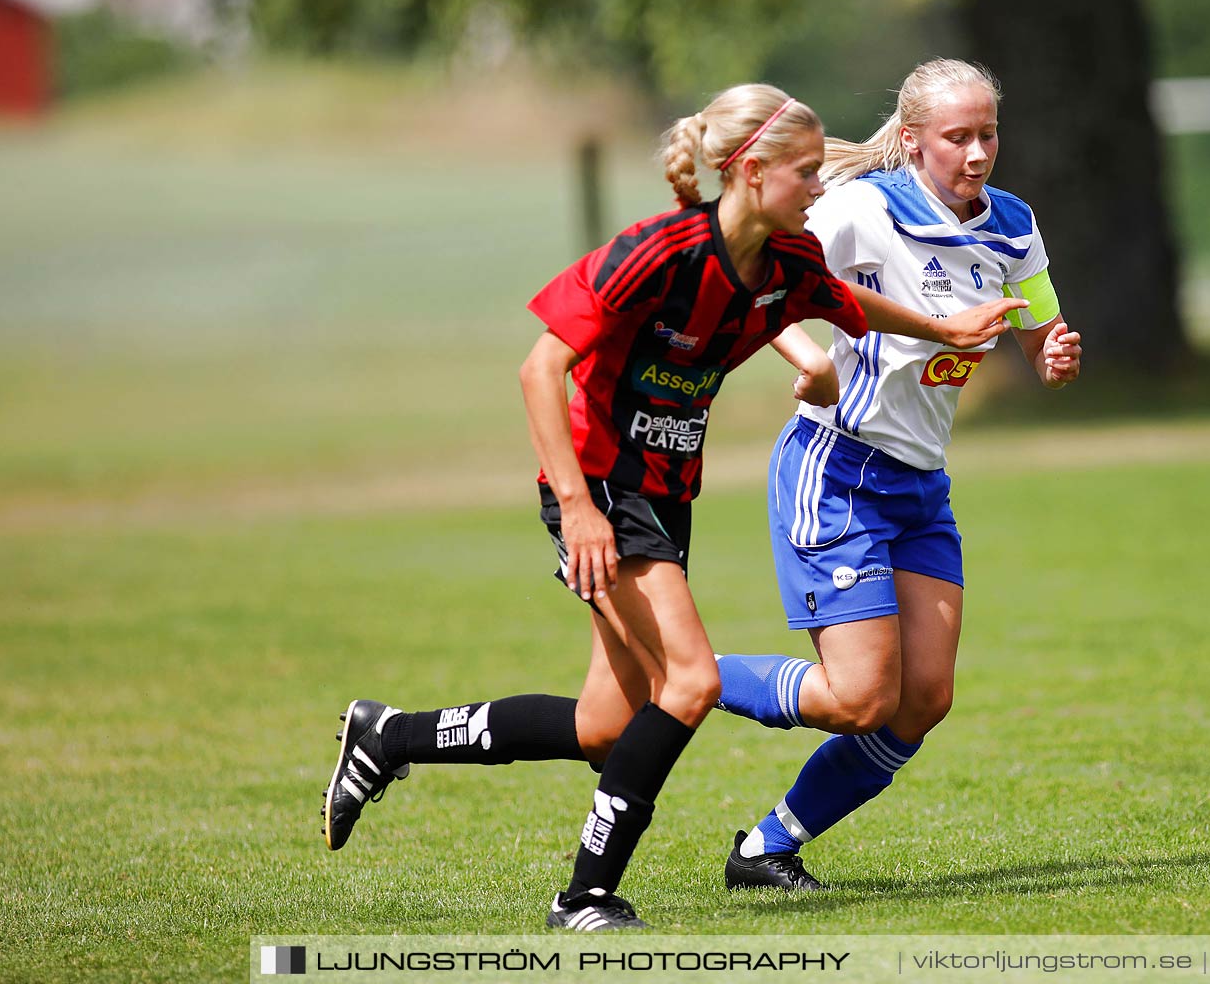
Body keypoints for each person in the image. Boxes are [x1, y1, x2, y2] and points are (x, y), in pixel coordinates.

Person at [318, 83, 1020, 931]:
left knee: (604, 728)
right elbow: (540, 370)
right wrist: (577, 509)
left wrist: (942, 334)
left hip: (663, 492)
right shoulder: (658, 252)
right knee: (689, 680)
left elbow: (841, 307)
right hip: (601, 489)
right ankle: (584, 897)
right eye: (805, 173)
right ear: (752, 173)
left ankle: (389, 738)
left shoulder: (789, 261)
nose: (819, 188)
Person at [712, 58, 1082, 890]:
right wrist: (808, 358)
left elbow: (1041, 330)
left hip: (919, 486)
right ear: (913, 142)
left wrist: (1053, 353)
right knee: (858, 700)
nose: (978, 152)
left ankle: (766, 847)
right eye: (958, 137)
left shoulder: (1014, 223)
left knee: (923, 701)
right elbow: (752, 272)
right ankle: (687, 674)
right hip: (835, 469)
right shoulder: (859, 209)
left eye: (988, 133)